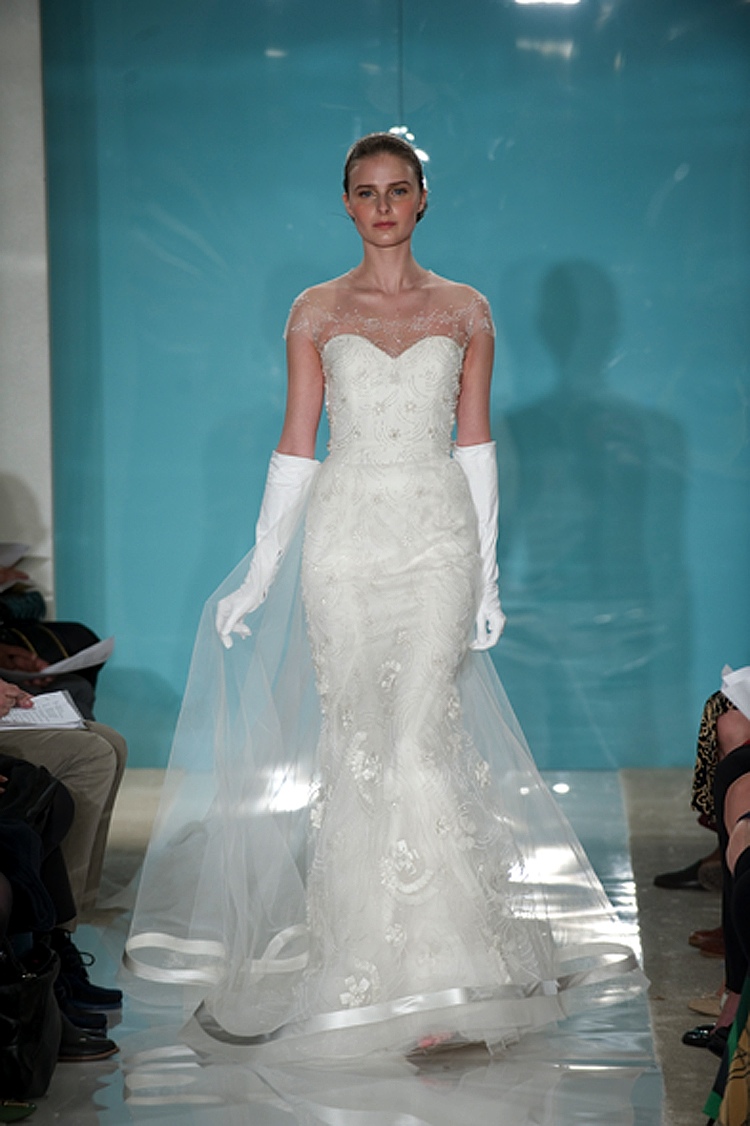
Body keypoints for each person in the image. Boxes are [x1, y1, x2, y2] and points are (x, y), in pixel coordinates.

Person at [124, 132, 645, 1061]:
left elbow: (475, 446)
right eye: (365, 192)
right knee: (361, 744)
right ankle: (364, 961)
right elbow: (298, 445)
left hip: (436, 538)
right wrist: (261, 570)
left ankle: (445, 978)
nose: (382, 207)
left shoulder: (467, 309)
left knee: (415, 740)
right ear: (346, 203)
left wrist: (485, 576)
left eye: (397, 190)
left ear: (422, 198)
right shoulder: (315, 311)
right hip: (345, 545)